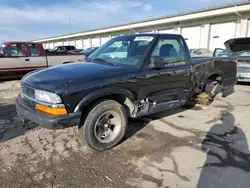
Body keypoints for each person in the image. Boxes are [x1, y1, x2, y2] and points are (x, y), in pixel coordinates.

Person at [197, 112, 250, 188]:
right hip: (231, 162)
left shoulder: (216, 127)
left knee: (212, 177)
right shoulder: (239, 131)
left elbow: (204, 145)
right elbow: (244, 146)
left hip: (217, 159)